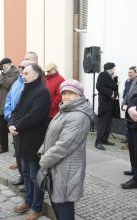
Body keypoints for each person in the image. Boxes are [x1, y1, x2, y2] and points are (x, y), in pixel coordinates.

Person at [38, 79, 93, 220]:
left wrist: (45, 160)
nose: (66, 96)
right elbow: (50, 134)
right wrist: (43, 150)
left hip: (67, 167)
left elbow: (64, 145)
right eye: (64, 93)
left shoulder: (79, 116)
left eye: (71, 93)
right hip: (55, 164)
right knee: (57, 201)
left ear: (79, 95)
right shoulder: (65, 110)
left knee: (64, 204)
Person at [9, 64, 51, 220]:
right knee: (25, 173)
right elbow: (15, 110)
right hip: (21, 138)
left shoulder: (42, 92)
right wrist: (10, 124)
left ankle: (37, 207)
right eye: (22, 73)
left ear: (36, 75)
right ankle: (28, 200)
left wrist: (16, 126)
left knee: (35, 176)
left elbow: (35, 116)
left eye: (26, 73)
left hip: (34, 141)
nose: (23, 75)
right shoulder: (25, 89)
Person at [4, 60, 32, 190]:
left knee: (26, 156)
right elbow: (9, 100)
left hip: (24, 125)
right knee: (18, 153)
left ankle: (28, 182)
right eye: (20, 67)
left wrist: (18, 123)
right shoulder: (17, 82)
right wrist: (10, 118)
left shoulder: (29, 84)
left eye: (23, 67)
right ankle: (22, 177)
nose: (20, 69)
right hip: (14, 123)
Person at [0, 58, 19, 154]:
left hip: (10, 106)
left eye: (4, 66)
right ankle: (3, 147)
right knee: (1, 128)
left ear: (10, 64)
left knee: (14, 129)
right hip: (0, 106)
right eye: (2, 67)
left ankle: (17, 150)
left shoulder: (15, 72)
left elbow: (8, 84)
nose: (3, 68)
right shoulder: (2, 74)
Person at [95, 62, 119, 150]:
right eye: (113, 68)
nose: (114, 70)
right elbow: (99, 86)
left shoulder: (111, 77)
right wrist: (111, 94)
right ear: (109, 69)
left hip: (110, 104)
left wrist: (115, 82)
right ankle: (98, 142)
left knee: (108, 123)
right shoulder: (103, 74)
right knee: (103, 123)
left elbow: (112, 87)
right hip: (105, 104)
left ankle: (105, 139)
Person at [121, 83, 137, 189]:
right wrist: (125, 106)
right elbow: (128, 96)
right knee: (133, 150)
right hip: (132, 121)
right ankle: (135, 172)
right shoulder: (134, 81)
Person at [121, 66, 137, 147]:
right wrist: (123, 104)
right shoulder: (128, 82)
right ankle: (128, 139)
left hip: (133, 108)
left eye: (131, 72)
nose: (129, 74)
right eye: (128, 72)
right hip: (127, 107)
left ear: (136, 73)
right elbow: (126, 94)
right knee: (127, 123)